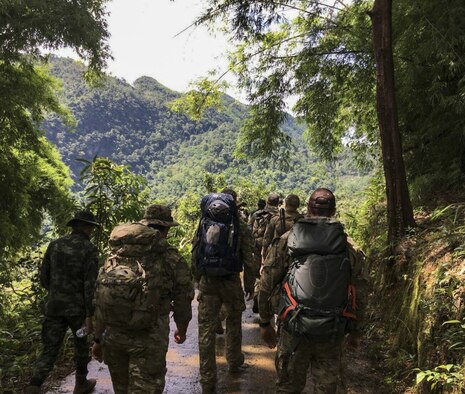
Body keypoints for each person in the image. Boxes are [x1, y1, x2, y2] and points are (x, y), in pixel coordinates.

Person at [259, 188, 367, 393]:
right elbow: (359, 291)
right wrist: (355, 331)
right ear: (334, 211)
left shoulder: (287, 240)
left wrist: (265, 323)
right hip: (332, 332)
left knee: (288, 388)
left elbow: (266, 283)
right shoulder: (348, 246)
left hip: (293, 330)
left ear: (308, 208)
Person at [92, 204, 193, 394]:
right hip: (149, 338)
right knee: (147, 387)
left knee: (121, 389)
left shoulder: (116, 256)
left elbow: (102, 297)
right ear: (166, 229)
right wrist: (182, 327)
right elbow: (183, 298)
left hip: (114, 336)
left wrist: (98, 339)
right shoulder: (171, 258)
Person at [24, 211, 100, 394]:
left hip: (54, 307)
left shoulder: (55, 245)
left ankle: (34, 385)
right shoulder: (89, 249)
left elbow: (44, 278)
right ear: (88, 228)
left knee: (50, 348)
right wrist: (90, 314)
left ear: (74, 226)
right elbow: (90, 286)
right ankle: (80, 383)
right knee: (81, 347)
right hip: (78, 312)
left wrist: (57, 293)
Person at [192, 188, 254, 394]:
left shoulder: (204, 223)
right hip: (231, 282)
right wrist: (251, 286)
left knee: (205, 332)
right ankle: (234, 361)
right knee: (234, 322)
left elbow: (196, 251)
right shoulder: (240, 225)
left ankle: (208, 381)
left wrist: (198, 281)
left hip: (209, 282)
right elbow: (249, 258)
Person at [250, 192, 280, 312]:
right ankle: (271, 303)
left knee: (258, 275)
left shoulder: (257, 214)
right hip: (275, 250)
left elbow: (249, 230)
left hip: (258, 247)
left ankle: (257, 297)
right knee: (274, 278)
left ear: (267, 202)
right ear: (278, 203)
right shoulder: (281, 216)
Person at [261, 194, 303, 259]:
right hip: (297, 257)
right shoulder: (303, 220)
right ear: (297, 205)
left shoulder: (276, 218)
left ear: (286, 204)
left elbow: (267, 240)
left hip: (277, 257)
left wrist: (263, 259)